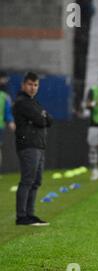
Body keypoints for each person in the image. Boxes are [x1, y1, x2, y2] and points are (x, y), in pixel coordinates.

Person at [13, 72, 52, 226]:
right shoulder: (22, 102)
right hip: (28, 145)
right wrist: (42, 117)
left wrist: (43, 117)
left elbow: (49, 120)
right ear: (23, 85)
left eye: (35, 85)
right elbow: (40, 119)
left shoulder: (34, 102)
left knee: (36, 181)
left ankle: (30, 214)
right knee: (28, 180)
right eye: (30, 84)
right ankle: (21, 216)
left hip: (38, 145)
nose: (32, 88)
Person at [0, 71, 16, 174]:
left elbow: (7, 113)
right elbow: (8, 113)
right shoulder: (5, 96)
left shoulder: (5, 96)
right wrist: (11, 123)